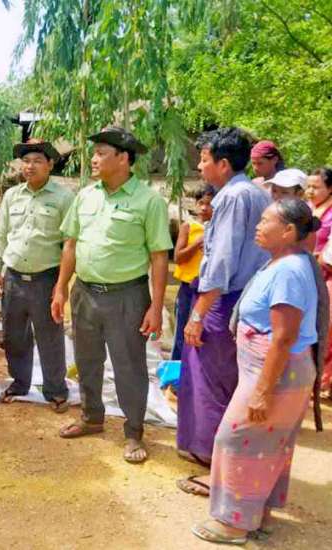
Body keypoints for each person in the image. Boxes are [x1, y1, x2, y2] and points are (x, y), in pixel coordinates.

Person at [192, 199, 327, 545]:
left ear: (288, 231)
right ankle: (259, 514)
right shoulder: (282, 262)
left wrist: (263, 392)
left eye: (266, 220)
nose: (258, 225)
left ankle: (234, 524)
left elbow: (283, 337)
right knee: (267, 443)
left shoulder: (289, 271)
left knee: (237, 440)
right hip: (273, 370)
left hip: (277, 374)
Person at [52, 126, 172, 464]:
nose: (94, 159)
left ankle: (133, 432)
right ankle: (92, 417)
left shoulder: (148, 201)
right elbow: (70, 245)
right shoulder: (85, 196)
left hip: (127, 296)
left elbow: (159, 256)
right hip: (85, 292)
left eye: (101, 153)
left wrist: (156, 306)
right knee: (87, 360)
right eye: (95, 153)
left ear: (123, 159)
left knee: (129, 366)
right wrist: (61, 288)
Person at [177, 127, 271, 494]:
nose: (200, 167)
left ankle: (214, 461)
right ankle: (216, 454)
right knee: (227, 379)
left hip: (223, 300)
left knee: (211, 380)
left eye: (204, 160)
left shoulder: (233, 197)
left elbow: (221, 262)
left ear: (224, 164)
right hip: (244, 299)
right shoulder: (254, 192)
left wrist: (198, 314)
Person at [0, 139, 74, 412]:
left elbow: (69, 245)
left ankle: (55, 389)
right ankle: (19, 382)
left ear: (50, 164)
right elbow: (2, 235)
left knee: (50, 336)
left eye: (37, 161)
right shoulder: (12, 195)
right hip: (13, 277)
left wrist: (61, 285)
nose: (30, 166)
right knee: (14, 335)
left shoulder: (64, 198)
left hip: (46, 278)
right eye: (26, 161)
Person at [171, 186, 215, 361]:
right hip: (188, 288)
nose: (204, 208)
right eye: (201, 203)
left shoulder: (220, 229)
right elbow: (178, 257)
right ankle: (178, 367)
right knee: (182, 330)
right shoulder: (189, 227)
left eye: (209, 204)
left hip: (210, 291)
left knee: (204, 333)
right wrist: (197, 243)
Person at [306, 168, 332, 392]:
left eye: (316, 187)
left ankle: (324, 380)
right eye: (308, 186)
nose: (310, 191)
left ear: (330, 189)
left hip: (327, 276)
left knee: (327, 327)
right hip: (307, 275)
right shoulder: (307, 208)